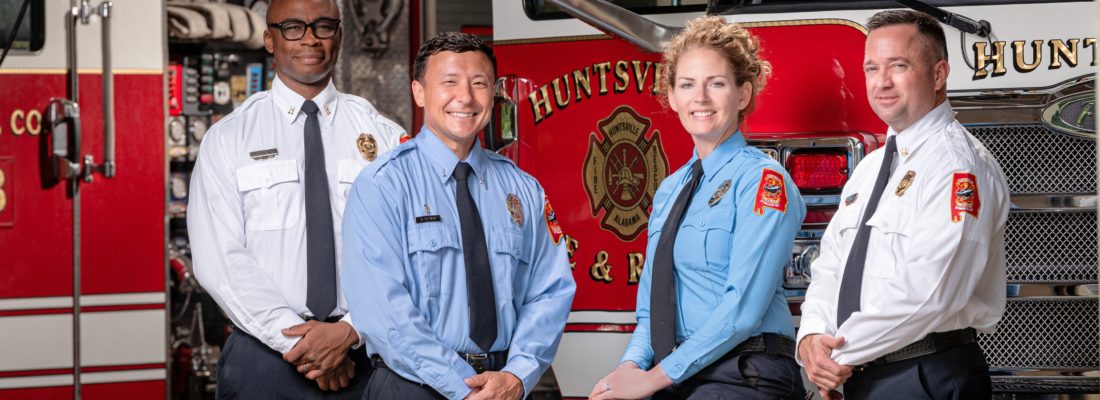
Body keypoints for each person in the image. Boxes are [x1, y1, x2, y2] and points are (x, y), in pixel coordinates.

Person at [340, 32, 577, 400]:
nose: (465, 97)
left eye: (479, 83)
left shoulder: (524, 189)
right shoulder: (383, 185)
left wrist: (518, 374)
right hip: (413, 387)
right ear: (419, 92)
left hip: (502, 388)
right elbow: (383, 311)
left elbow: (551, 289)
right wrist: (461, 388)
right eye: (449, 82)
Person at [187, 0, 405, 396]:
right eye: (293, 27)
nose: (310, 39)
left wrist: (350, 330)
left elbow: (406, 249)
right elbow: (220, 259)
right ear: (269, 40)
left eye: (323, 26)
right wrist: (300, 345)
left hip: (366, 352)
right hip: (264, 359)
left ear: (339, 35)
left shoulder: (384, 136)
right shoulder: (229, 138)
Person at [796, 10, 1010, 400]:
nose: (882, 82)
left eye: (899, 65)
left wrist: (837, 356)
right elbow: (831, 265)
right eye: (871, 68)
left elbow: (932, 291)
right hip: (859, 374)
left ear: (939, 73)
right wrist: (811, 336)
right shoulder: (870, 168)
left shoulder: (959, 166)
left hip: (923, 375)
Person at [589, 16, 807, 400]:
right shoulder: (671, 190)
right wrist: (627, 372)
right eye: (687, 85)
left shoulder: (761, 181)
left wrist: (654, 379)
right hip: (681, 372)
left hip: (746, 371)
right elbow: (649, 312)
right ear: (672, 97)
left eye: (716, 84)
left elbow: (742, 312)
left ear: (742, 95)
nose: (700, 98)